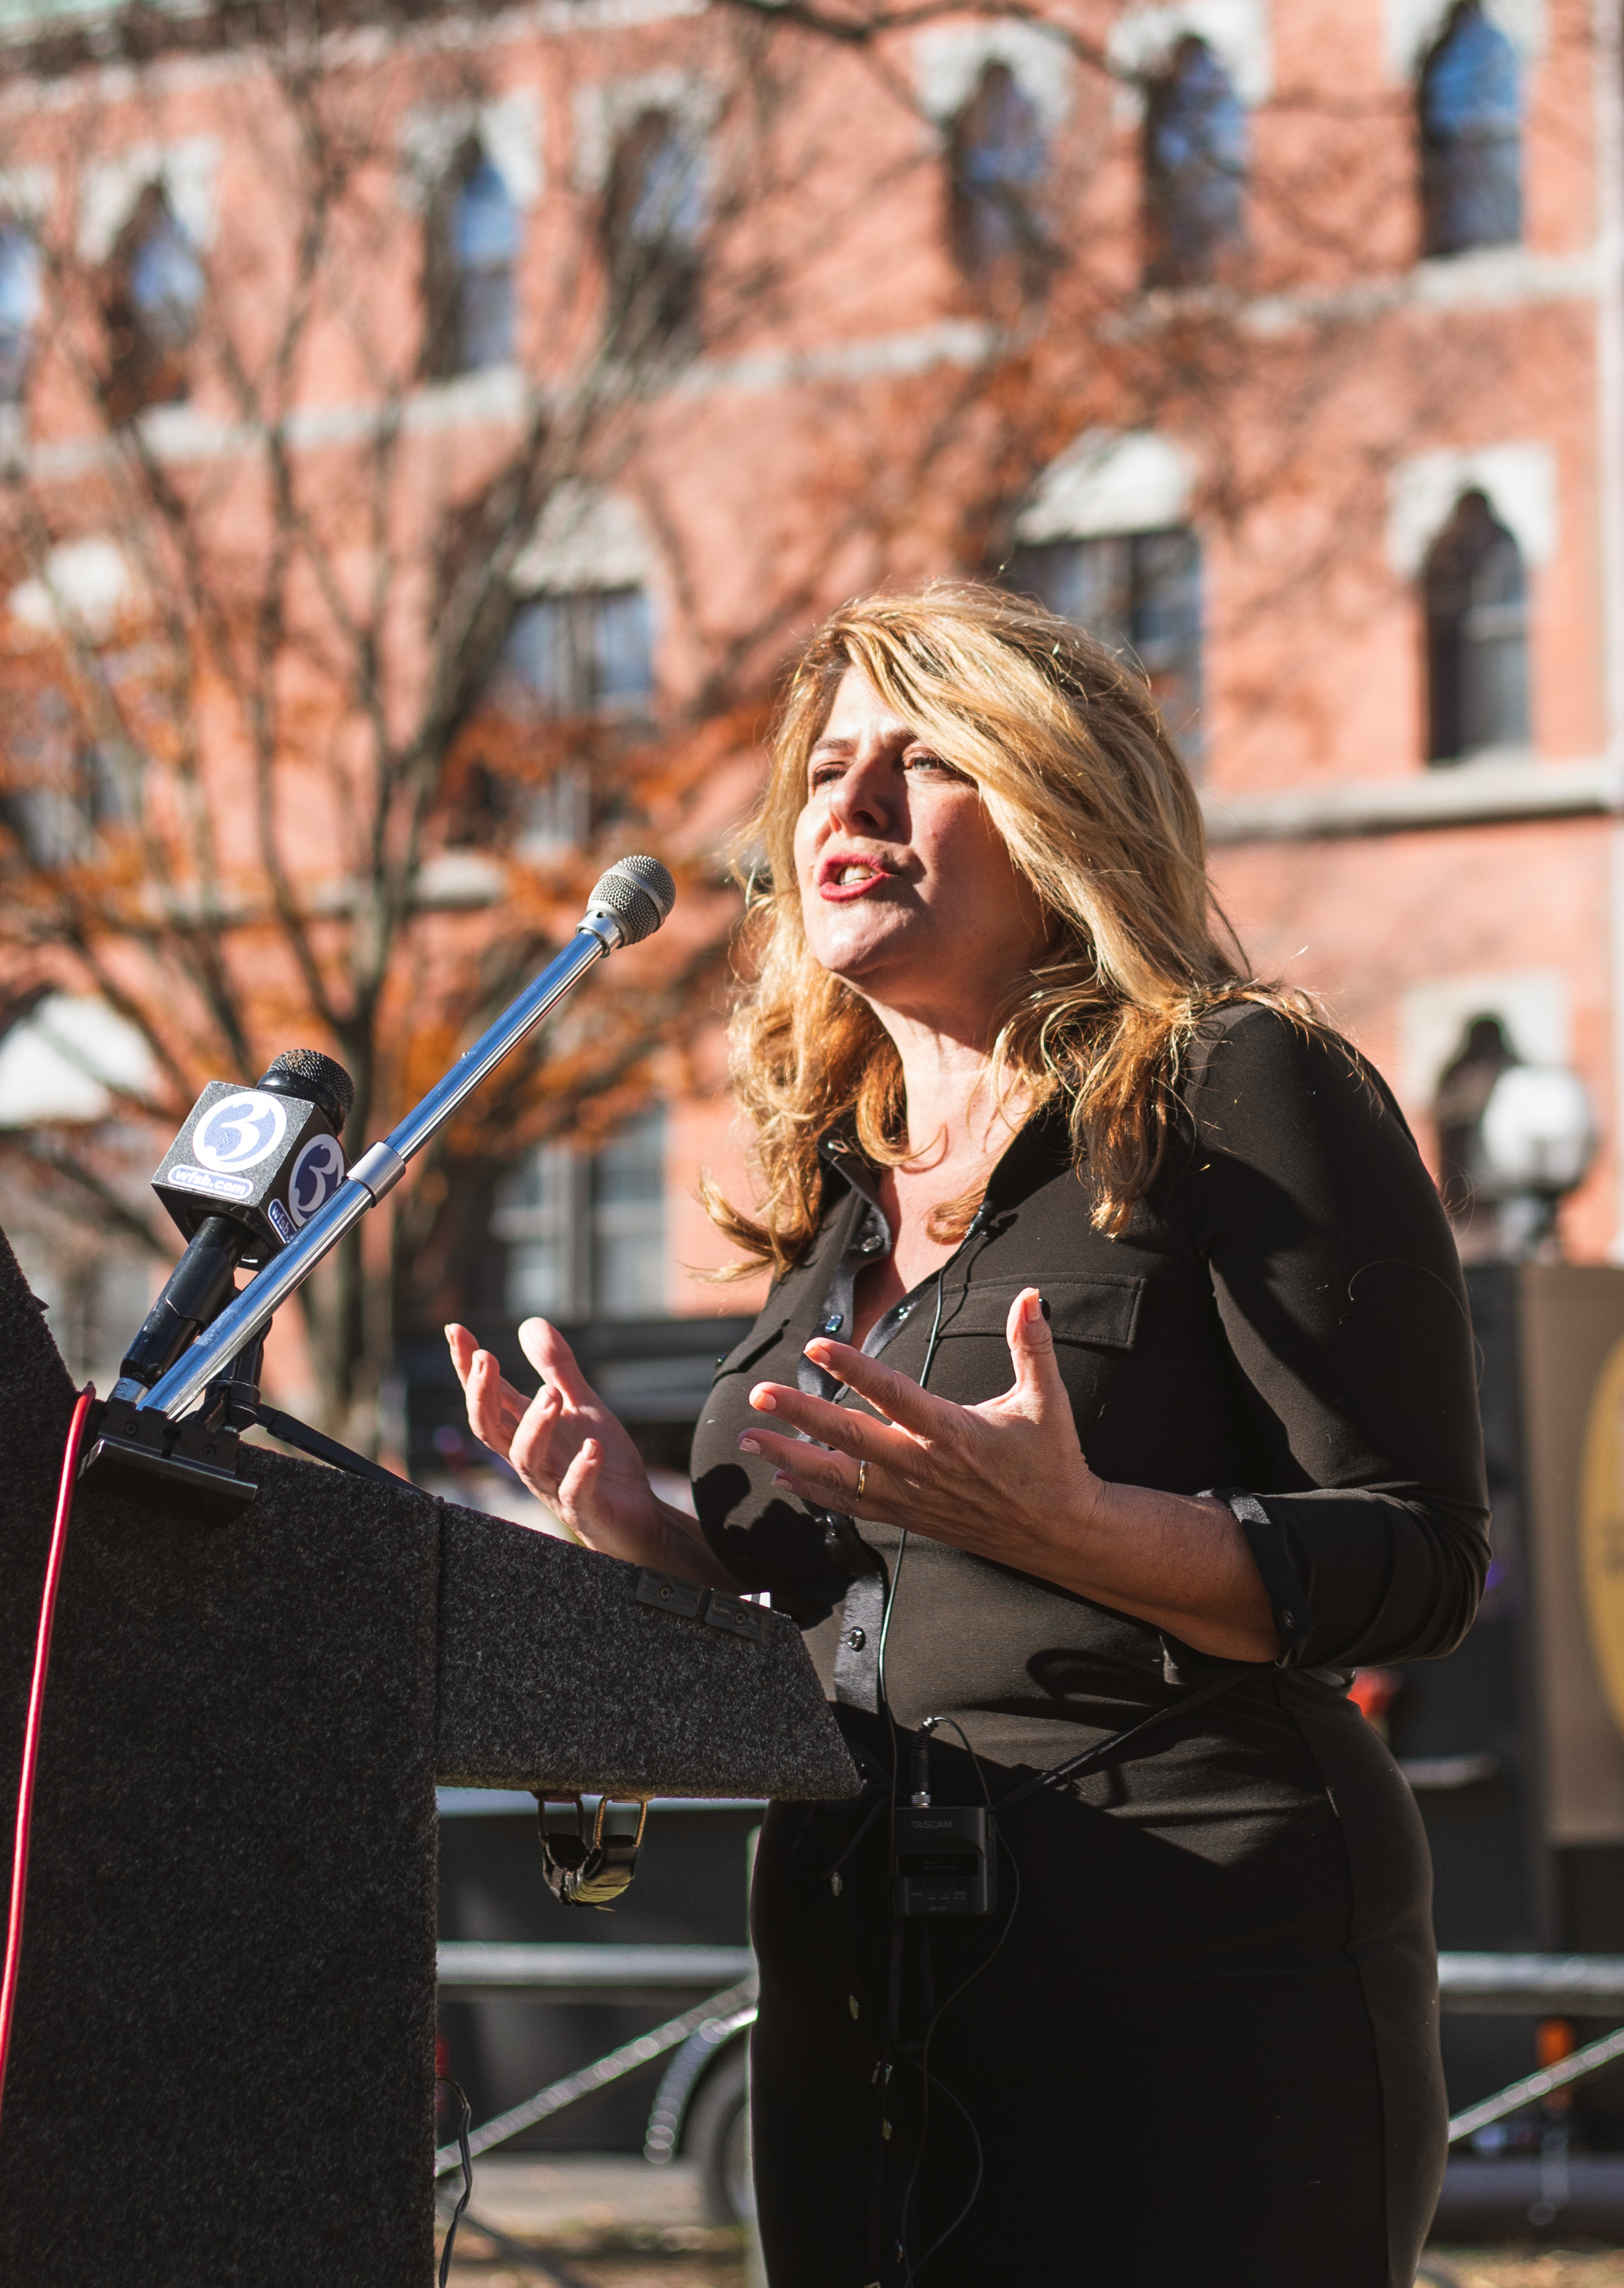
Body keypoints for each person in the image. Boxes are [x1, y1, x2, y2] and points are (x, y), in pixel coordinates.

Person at [445, 583, 1486, 2287]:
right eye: (827, 766)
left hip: (1193, 1968)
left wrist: (1074, 1526)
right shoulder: (838, 1208)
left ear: (1059, 804)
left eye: (921, 763)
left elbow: (1423, 1554)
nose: (844, 810)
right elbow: (864, 1602)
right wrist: (647, 1530)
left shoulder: (1235, 1086)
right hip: (857, 1964)